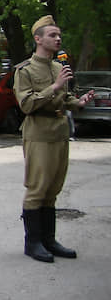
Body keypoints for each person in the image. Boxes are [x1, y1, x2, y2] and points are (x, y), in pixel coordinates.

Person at [13, 15, 94, 263]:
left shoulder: (59, 68)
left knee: (53, 189)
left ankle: (49, 239)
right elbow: (26, 104)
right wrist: (55, 87)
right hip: (39, 132)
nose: (57, 39)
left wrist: (77, 102)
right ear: (38, 39)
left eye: (59, 35)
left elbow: (64, 98)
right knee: (38, 188)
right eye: (52, 35)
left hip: (59, 132)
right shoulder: (25, 70)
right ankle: (33, 242)